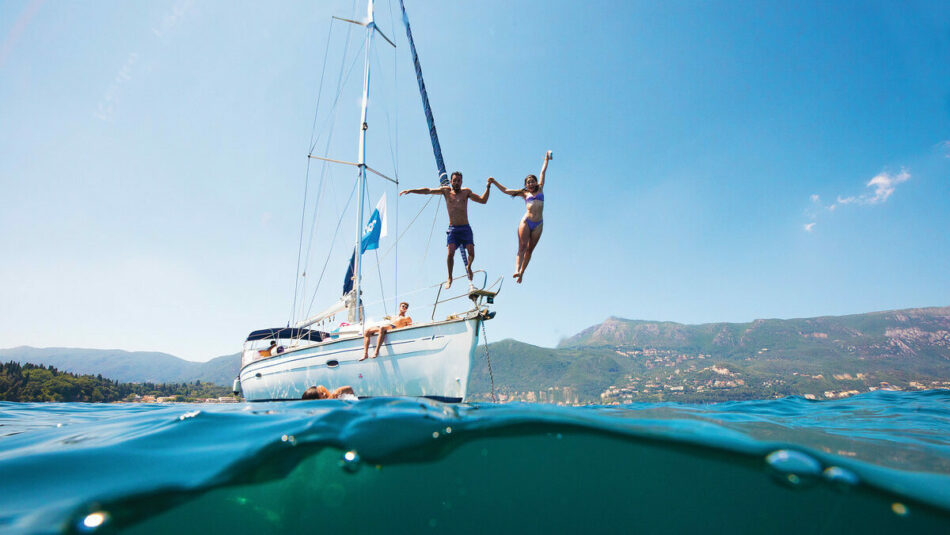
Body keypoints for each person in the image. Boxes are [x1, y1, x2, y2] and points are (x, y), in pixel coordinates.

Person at [400, 172, 490, 289]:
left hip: (465, 228)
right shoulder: (446, 191)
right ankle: (450, 277)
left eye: (458, 181)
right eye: (454, 180)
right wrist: (411, 190)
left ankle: (469, 267)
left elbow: (483, 200)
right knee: (450, 253)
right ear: (451, 181)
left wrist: (488, 186)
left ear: (461, 182)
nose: (456, 183)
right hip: (453, 229)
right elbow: (428, 190)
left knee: (471, 253)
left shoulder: (466, 192)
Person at [489, 150, 551, 283]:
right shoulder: (524, 194)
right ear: (526, 185)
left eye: (532, 181)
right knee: (522, 247)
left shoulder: (540, 189)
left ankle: (522, 273)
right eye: (528, 182)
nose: (531, 183)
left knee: (529, 250)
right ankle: (517, 269)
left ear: (536, 182)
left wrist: (546, 159)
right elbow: (506, 190)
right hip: (527, 222)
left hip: (538, 224)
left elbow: (542, 172)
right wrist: (494, 182)